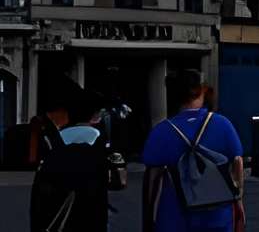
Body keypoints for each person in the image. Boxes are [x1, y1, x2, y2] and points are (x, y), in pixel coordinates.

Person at [138, 82, 244, 232]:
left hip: (174, 216)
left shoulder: (162, 131)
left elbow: (152, 179)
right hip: (218, 214)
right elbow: (237, 162)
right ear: (201, 94)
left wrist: (149, 218)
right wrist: (238, 200)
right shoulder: (223, 124)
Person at [31, 89, 126, 232]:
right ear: (95, 115)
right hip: (92, 211)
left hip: (57, 214)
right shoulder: (102, 141)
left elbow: (40, 189)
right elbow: (118, 181)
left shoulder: (55, 141)